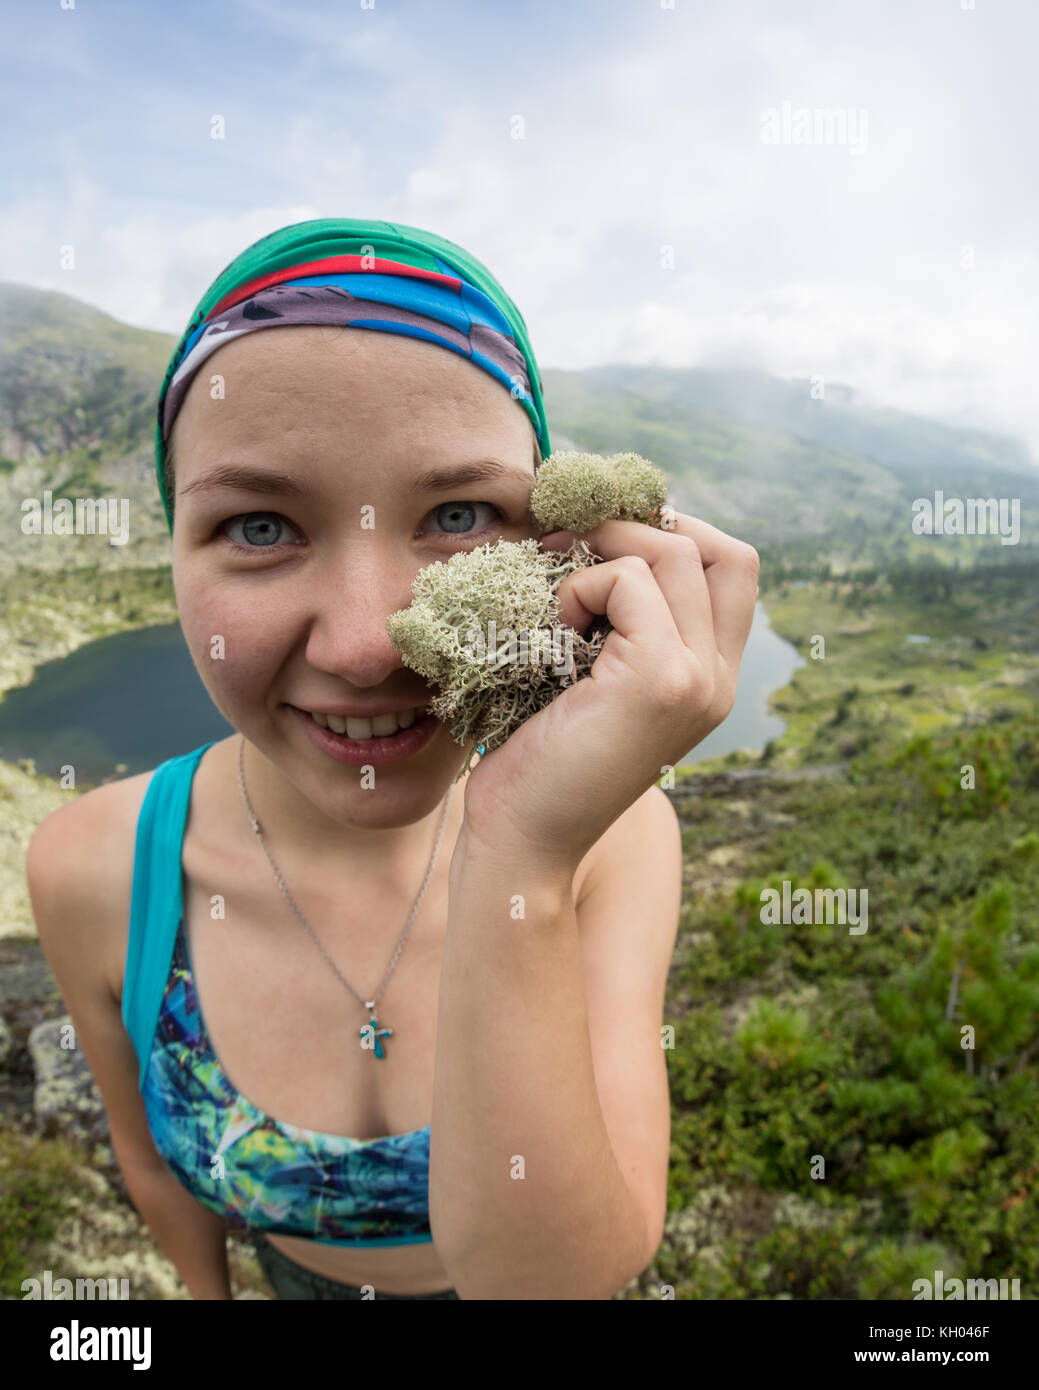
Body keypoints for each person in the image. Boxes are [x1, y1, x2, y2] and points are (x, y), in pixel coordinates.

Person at [26, 218, 760, 1300]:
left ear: (567, 544)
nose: (368, 646)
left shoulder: (613, 838)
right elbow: (150, 1163)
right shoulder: (94, 867)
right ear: (172, 552)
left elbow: (561, 1281)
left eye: (458, 515)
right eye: (262, 526)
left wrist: (522, 853)